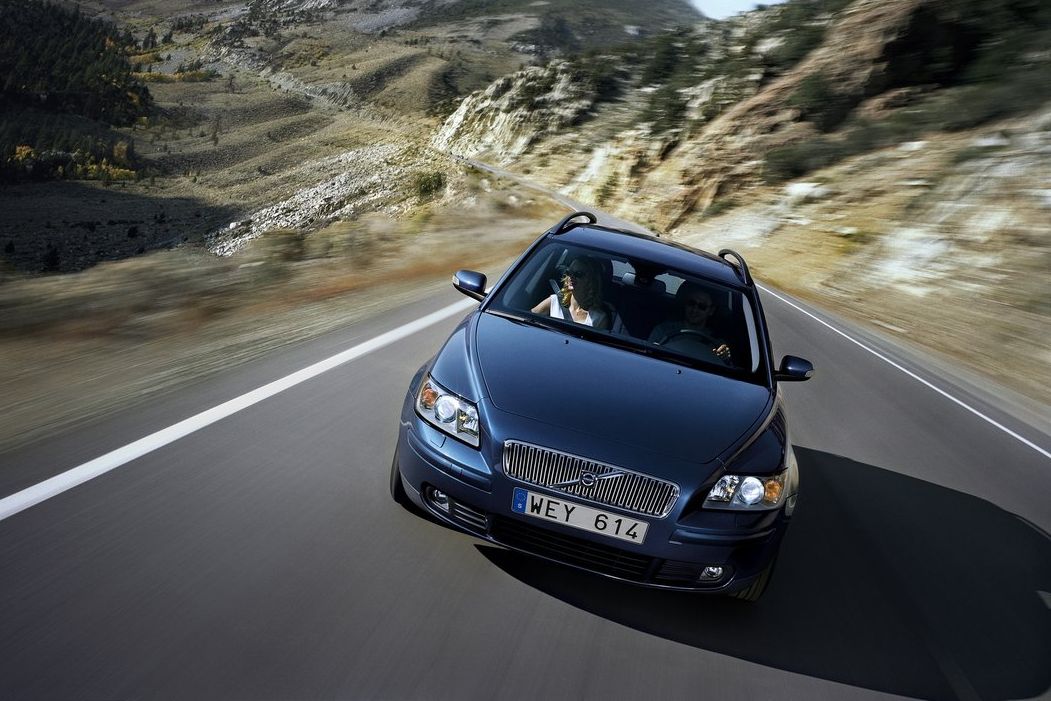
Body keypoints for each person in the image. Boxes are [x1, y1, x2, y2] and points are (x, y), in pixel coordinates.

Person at [648, 282, 732, 363]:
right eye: (691, 303)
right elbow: (648, 355)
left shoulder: (717, 344)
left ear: (711, 311)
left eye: (702, 306)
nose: (694, 310)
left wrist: (724, 358)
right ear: (685, 304)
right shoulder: (662, 330)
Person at [532, 256, 614, 330]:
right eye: (568, 272)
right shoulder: (555, 301)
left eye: (578, 274)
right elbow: (528, 319)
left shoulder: (599, 318)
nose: (571, 277)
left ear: (591, 280)